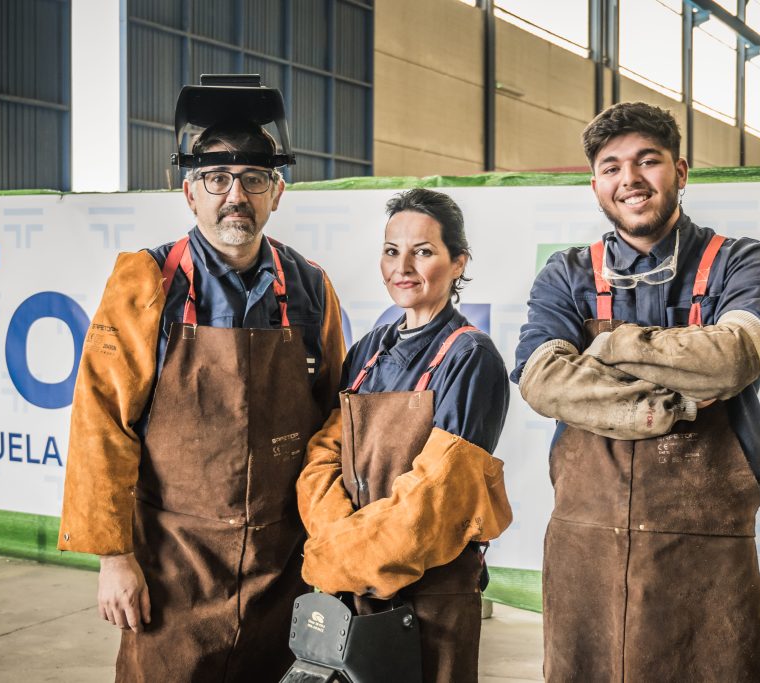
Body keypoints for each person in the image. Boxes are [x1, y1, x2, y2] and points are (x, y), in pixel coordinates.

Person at [57, 77, 345, 682]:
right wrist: (115, 558)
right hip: (172, 569)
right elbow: (101, 424)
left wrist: (332, 553)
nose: (234, 195)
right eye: (216, 179)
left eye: (253, 179)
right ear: (190, 194)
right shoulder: (148, 284)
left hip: (282, 568)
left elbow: (334, 429)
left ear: (277, 194)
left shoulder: (313, 290)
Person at [513, 102, 760, 681]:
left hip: (706, 540)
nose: (629, 180)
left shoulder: (741, 261)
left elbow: (732, 358)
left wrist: (607, 349)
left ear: (680, 172)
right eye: (611, 167)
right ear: (595, 186)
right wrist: (670, 404)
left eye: (648, 161)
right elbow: (540, 378)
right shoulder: (566, 274)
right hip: (585, 539)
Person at [296, 188, 513, 682]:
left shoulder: (470, 357)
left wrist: (341, 557)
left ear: (458, 262)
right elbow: (324, 457)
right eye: (392, 250)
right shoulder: (369, 349)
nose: (403, 266)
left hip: (429, 593)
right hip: (352, 582)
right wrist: (340, 545)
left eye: (424, 251)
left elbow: (436, 502)